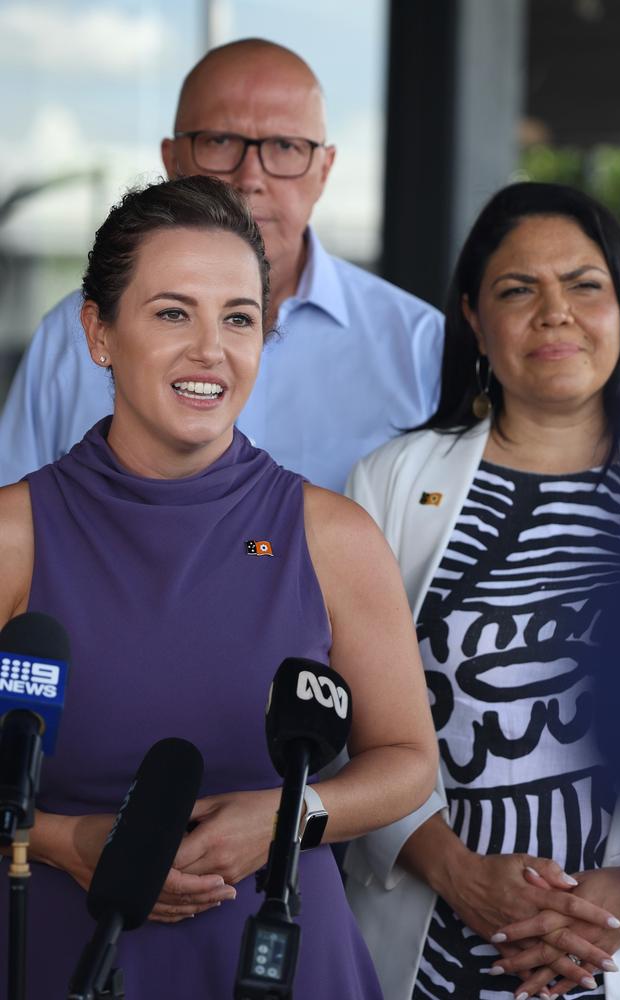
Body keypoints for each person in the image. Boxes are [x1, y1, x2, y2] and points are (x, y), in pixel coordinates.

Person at [0, 175, 439, 999]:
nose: (211, 349)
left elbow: (409, 761)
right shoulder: (12, 537)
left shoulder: (333, 535)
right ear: (99, 332)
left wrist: (290, 818)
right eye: (172, 313)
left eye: (238, 318)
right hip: (57, 951)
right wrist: (59, 840)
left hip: (278, 959)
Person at [344, 181, 620, 1000]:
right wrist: (455, 869)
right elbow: (340, 712)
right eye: (519, 290)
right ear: (476, 320)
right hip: (428, 945)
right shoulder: (391, 483)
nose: (555, 312)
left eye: (585, 285)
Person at [0, 37, 444, 493]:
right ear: (171, 159)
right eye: (219, 141)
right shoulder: (71, 335)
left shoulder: (420, 346)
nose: (250, 178)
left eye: (286, 147)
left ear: (325, 169)